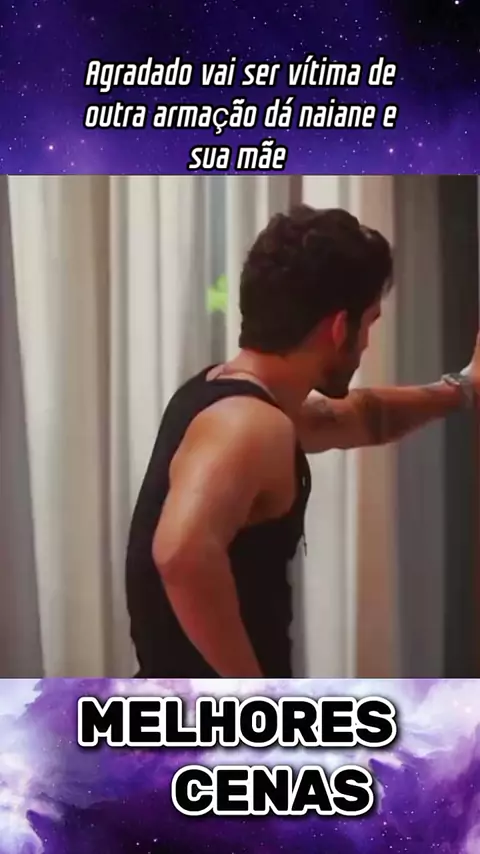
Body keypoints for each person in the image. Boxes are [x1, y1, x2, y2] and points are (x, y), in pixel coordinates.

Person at [126, 205, 479, 679]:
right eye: (369, 323)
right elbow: (182, 554)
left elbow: (362, 416)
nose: (366, 342)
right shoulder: (247, 425)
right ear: (339, 328)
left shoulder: (237, 398)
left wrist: (464, 388)